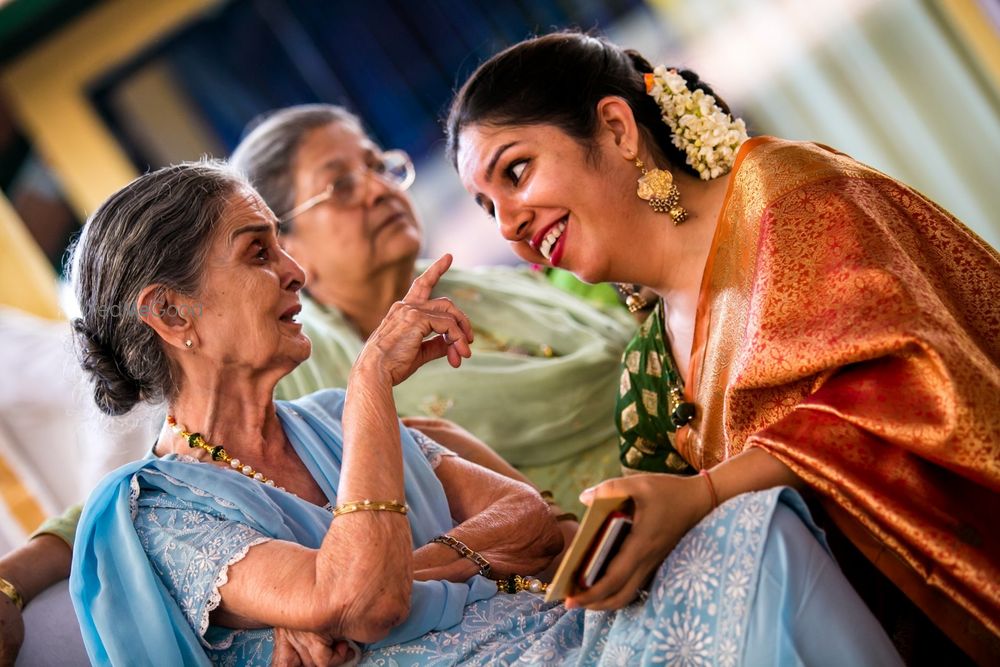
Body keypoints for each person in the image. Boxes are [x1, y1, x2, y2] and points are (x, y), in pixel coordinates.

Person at [68, 161, 900, 665]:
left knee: (757, 531)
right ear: (171, 315)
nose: (295, 271)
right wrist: (369, 386)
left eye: (283, 243)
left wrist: (413, 563)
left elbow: (530, 521)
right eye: (258, 251)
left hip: (553, 636)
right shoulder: (162, 510)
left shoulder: (328, 422)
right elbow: (365, 600)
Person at [446, 29, 1000, 663]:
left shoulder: (796, 201)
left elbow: (918, 383)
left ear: (617, 129)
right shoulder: (650, 368)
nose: (510, 224)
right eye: (487, 207)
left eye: (516, 171)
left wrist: (708, 492)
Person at [230, 104, 634, 514]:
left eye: (377, 167)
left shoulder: (494, 285)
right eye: (342, 186)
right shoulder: (311, 395)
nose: (379, 190)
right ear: (285, 246)